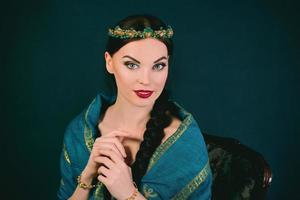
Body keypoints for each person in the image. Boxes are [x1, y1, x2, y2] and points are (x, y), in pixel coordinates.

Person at [57, 14, 212, 200]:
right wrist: (88, 176)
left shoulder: (185, 144)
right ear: (109, 62)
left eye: (158, 66)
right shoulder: (81, 132)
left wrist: (128, 194)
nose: (146, 80)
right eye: (131, 65)